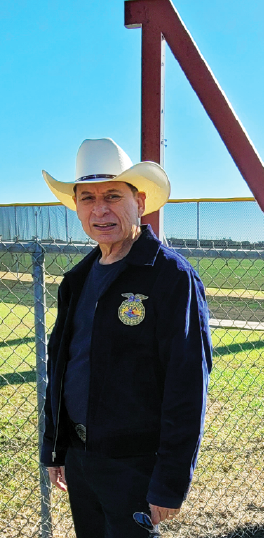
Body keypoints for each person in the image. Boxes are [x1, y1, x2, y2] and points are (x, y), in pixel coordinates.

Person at [40, 138, 213, 537]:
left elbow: (187, 384)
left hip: (135, 465)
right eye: (87, 198)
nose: (100, 210)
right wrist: (56, 446)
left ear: (138, 201)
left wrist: (169, 480)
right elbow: (64, 367)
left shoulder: (169, 277)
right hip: (81, 459)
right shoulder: (77, 280)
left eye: (113, 196)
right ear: (78, 207)